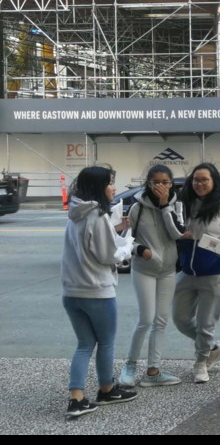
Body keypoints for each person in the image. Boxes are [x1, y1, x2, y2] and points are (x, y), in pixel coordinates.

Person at [62, 165, 137, 418]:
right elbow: (109, 256)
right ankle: (106, 389)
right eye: (110, 183)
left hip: (72, 292)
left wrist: (116, 231)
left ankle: (77, 398)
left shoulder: (76, 213)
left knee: (84, 344)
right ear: (98, 187)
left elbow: (89, 244)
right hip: (97, 291)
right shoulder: (98, 216)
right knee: (106, 342)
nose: (114, 187)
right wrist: (128, 246)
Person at [172, 163, 220, 384]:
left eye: (204, 180)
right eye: (196, 179)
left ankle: (201, 362)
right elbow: (174, 230)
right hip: (187, 271)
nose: (199, 184)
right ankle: (214, 348)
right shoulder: (183, 205)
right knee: (180, 319)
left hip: (215, 273)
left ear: (214, 181)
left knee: (206, 323)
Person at [119, 164, 185, 388]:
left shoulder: (177, 205)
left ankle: (153, 371)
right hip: (144, 268)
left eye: (165, 182)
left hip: (167, 270)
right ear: (148, 183)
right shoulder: (137, 207)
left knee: (161, 321)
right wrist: (141, 250)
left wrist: (165, 205)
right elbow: (128, 239)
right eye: (155, 182)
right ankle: (129, 365)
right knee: (146, 319)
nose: (160, 186)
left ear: (171, 183)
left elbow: (177, 233)